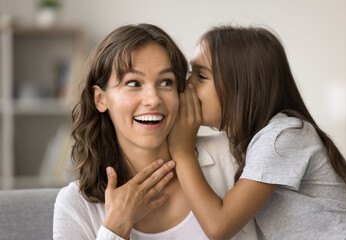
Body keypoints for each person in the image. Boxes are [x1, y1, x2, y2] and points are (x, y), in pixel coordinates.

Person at [53, 23, 258, 240]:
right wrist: (114, 229)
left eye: (166, 82)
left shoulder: (234, 158)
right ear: (100, 99)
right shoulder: (75, 206)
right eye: (133, 83)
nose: (153, 99)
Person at [169, 25, 346, 240]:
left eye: (201, 76)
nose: (187, 86)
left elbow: (218, 226)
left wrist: (182, 150)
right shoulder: (251, 142)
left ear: (242, 86)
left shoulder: (283, 136)